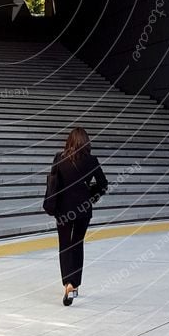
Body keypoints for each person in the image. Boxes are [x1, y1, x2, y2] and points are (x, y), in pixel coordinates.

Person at [53, 127, 108, 306]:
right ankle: (75, 284)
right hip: (83, 209)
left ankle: (67, 283)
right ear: (86, 142)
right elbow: (103, 184)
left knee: (65, 245)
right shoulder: (91, 161)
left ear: (69, 141)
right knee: (77, 243)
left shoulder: (59, 158)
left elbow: (53, 184)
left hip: (63, 209)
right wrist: (91, 196)